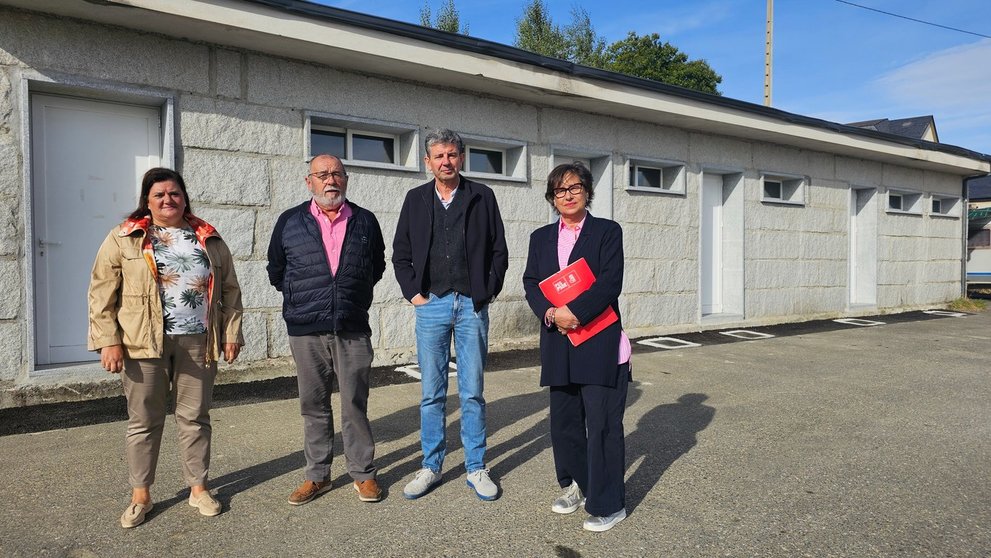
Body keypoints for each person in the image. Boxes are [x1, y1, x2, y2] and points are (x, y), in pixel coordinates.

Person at [88, 167, 244, 529]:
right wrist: (108, 340)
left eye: (174, 193)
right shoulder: (126, 237)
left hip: (198, 341)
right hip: (142, 343)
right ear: (147, 200)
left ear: (184, 196)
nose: (167, 200)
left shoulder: (208, 237)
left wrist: (231, 332)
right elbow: (100, 291)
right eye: (159, 195)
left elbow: (230, 291)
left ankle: (198, 488)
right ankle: (141, 495)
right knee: (144, 421)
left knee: (195, 417)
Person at [392, 129, 509, 501]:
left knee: (472, 392)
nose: (446, 161)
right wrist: (414, 294)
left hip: (471, 304)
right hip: (432, 305)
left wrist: (486, 292)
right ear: (428, 161)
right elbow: (401, 253)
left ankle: (476, 467)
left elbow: (498, 251)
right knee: (432, 393)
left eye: (452, 154)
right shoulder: (415, 200)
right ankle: (431, 465)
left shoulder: (482, 197)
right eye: (439, 156)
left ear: (462, 157)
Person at [268, 154, 386, 505]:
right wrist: (303, 296)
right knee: (313, 403)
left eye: (336, 174)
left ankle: (362, 473)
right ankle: (317, 475)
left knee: (354, 402)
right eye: (322, 174)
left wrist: (351, 295)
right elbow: (277, 269)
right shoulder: (290, 221)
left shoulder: (365, 221)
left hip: (351, 324)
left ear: (346, 179)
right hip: (306, 328)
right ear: (309, 182)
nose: (330, 180)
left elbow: (376, 265)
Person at [522, 162, 632, 532]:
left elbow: (608, 284)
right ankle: (577, 486)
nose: (567, 196)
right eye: (559, 191)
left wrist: (575, 313)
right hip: (560, 342)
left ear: (587, 191)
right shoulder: (540, 238)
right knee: (565, 424)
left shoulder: (606, 232)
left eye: (574, 188)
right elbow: (532, 282)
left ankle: (609, 504)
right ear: (552, 198)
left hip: (599, 340)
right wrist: (552, 313)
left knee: (602, 425)